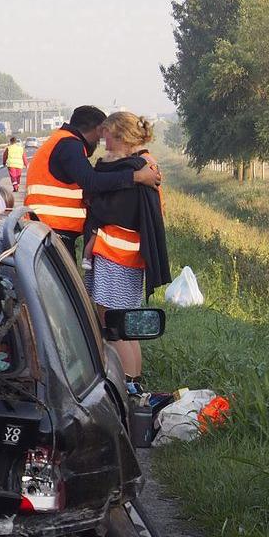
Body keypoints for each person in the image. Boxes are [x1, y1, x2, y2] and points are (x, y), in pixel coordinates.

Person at [84, 111, 170, 394]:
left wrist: (93, 205)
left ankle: (128, 387)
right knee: (127, 326)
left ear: (119, 135)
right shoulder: (143, 167)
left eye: (106, 132)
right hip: (127, 259)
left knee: (114, 326)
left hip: (116, 257)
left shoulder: (133, 170)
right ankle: (134, 384)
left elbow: (108, 209)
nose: (102, 138)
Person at [23, 105, 161, 258]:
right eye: (103, 134)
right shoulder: (70, 145)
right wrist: (138, 176)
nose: (101, 142)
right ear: (98, 129)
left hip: (46, 227)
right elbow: (91, 181)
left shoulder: (62, 140)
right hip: (52, 228)